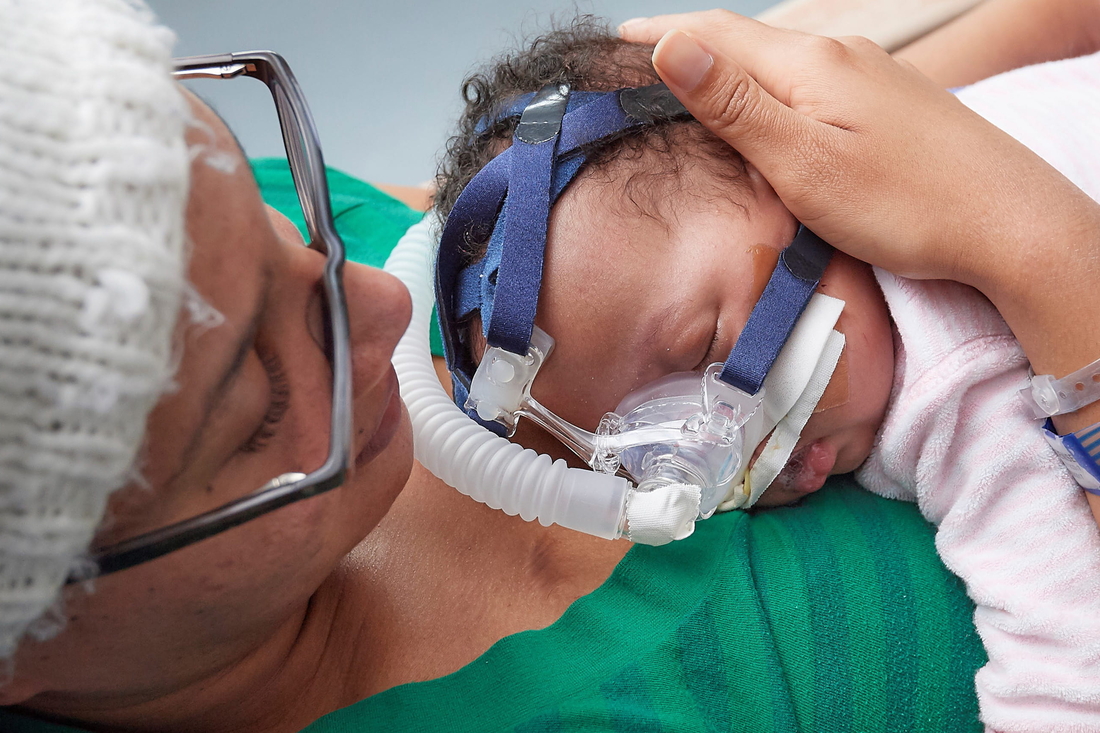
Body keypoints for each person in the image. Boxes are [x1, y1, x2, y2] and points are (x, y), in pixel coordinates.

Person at [0, 1, 1082, 732]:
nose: (382, 297)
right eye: (261, 396)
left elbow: (699, 183)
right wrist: (1049, 260)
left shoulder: (148, 235)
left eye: (289, 222)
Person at [432, 9, 1100, 733]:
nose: (727, 444)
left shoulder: (955, 381)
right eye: (655, 446)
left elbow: (1072, 664)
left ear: (787, 172)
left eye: (699, 348)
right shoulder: (908, 149)